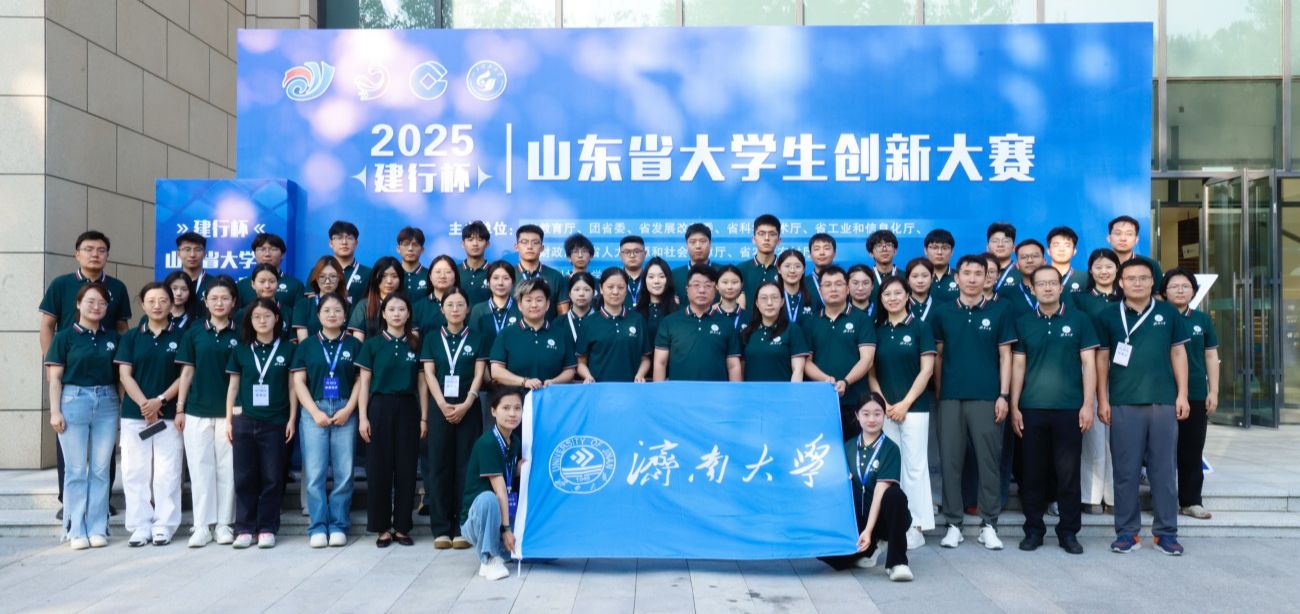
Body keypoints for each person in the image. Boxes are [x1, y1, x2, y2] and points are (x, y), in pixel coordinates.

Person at [1095, 258, 1190, 556]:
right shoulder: (1108, 316)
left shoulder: (1168, 313)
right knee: (1126, 472)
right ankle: (1127, 533)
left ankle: (1166, 534)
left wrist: (1183, 394)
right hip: (1123, 403)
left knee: (1164, 472)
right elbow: (1101, 360)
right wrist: (1102, 399)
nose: (1137, 283)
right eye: (1131, 278)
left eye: (1143, 278)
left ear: (1152, 282)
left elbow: (1178, 354)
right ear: (1121, 283)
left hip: (1163, 402)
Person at [39, 230, 130, 518]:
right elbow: (47, 325)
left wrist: (123, 372)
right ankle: (67, 500)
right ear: (76, 254)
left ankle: (102, 502)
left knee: (104, 449)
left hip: (105, 375)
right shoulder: (61, 284)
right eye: (88, 249)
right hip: (71, 375)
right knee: (69, 444)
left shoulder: (117, 287)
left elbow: (122, 329)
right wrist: (51, 363)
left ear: (107, 256)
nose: (95, 254)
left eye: (101, 250)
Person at [1009, 265, 1099, 555]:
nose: (1047, 288)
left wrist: (1088, 404)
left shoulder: (1080, 320)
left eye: (1052, 283)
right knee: (1032, 474)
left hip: (1070, 409)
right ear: (1033, 289)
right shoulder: (1023, 322)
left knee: (1068, 474)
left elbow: (1089, 364)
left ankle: (1068, 532)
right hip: (1032, 408)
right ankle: (1034, 530)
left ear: (1061, 288)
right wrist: (1014, 406)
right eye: (1041, 284)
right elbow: (1018, 366)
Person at [930, 255, 1016, 551]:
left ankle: (989, 524)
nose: (972, 278)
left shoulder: (1000, 310)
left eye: (978, 273)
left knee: (988, 463)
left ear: (987, 277)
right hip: (951, 398)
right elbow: (938, 356)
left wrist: (1003, 395)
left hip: (987, 397)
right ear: (957, 277)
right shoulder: (943, 312)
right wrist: (940, 393)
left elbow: (1006, 356)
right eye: (966, 273)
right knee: (951, 462)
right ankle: (953, 524)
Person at [44, 282, 120, 550]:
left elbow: (120, 377)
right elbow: (55, 378)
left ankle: (98, 526)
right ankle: (75, 528)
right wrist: (55, 411)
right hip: (73, 400)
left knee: (101, 469)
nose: (96, 307)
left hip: (108, 402)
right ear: (78, 304)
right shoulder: (64, 337)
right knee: (75, 469)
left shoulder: (113, 338)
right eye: (90, 301)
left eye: (101, 303)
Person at [868, 276, 936, 550]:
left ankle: (916, 525)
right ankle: (893, 524)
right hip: (885, 411)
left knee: (915, 467)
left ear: (907, 296)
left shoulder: (920, 327)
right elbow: (872, 373)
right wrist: (884, 404)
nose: (892, 298)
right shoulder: (877, 330)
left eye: (898, 293)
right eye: (887, 294)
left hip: (914, 409)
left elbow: (927, 370)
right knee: (891, 468)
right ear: (881, 299)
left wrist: (905, 403)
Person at [115, 282, 185, 547]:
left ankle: (164, 525)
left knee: (168, 472)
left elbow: (185, 376)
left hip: (168, 415)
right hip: (136, 415)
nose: (157, 306)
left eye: (163, 300)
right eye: (151, 301)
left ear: (171, 304)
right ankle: (139, 525)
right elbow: (125, 375)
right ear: (142, 305)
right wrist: (145, 404)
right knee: (135, 471)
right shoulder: (131, 337)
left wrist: (160, 401)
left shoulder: (182, 336)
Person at [290, 292, 362, 548]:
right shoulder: (307, 345)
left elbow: (360, 380)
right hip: (315, 410)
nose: (332, 314)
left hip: (345, 409)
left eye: (338, 310)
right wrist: (314, 412)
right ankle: (318, 526)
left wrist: (349, 409)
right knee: (315, 472)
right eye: (327, 310)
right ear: (318, 315)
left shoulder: (354, 345)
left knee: (344, 471)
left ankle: (339, 524)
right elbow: (299, 382)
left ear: (345, 315)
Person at [225, 298, 297, 549]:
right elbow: (233, 387)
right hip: (244, 420)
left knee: (272, 477)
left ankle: (267, 527)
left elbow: (292, 387)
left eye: (267, 316)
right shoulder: (242, 350)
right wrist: (229, 420)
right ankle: (244, 528)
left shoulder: (288, 349)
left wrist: (292, 419)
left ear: (276, 318)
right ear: (250, 320)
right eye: (257, 317)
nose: (262, 321)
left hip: (276, 421)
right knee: (244, 476)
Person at [357, 293, 428, 547]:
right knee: (379, 468)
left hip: (408, 408)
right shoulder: (372, 345)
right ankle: (382, 528)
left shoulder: (416, 344)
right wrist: (363, 417)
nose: (397, 314)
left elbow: (422, 384)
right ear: (383, 314)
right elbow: (364, 383)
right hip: (379, 408)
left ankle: (402, 527)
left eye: (402, 309)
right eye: (392, 309)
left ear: (408, 314)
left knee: (406, 468)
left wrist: (424, 417)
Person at [819, 392, 914, 583]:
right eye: (866, 414)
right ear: (857, 415)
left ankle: (897, 562)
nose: (872, 419)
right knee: (829, 556)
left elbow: (880, 490)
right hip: (858, 520)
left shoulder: (890, 449)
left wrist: (869, 530)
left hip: (883, 520)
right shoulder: (847, 447)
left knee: (894, 495)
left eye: (877, 414)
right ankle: (870, 548)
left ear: (884, 415)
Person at [420, 287, 488, 549]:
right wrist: (441, 404)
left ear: (468, 308)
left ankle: (462, 527)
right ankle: (441, 528)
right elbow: (429, 373)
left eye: (460, 304)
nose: (455, 309)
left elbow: (480, 373)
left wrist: (467, 402)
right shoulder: (431, 338)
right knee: (439, 466)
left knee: (466, 467)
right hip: (440, 408)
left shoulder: (478, 337)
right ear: (442, 309)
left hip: (468, 407)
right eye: (450, 304)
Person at [175, 275, 240, 547]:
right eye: (214, 298)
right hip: (197, 410)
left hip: (230, 413)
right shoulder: (194, 332)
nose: (219, 303)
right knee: (200, 469)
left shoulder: (241, 333)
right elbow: (186, 372)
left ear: (234, 301)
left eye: (225, 298)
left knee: (228, 469)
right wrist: (180, 407)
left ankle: (224, 524)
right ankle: (202, 525)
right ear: (205, 301)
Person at [1163, 268, 1220, 521]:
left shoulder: (1202, 320)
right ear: (1164, 291)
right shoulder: (1157, 318)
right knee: (1160, 451)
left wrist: (1213, 391)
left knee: (1192, 448)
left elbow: (1211, 355)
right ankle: (1162, 500)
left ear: (1194, 291)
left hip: (1195, 393)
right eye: (1174, 286)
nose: (1180, 290)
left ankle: (1191, 501)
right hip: (1162, 392)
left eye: (1185, 286)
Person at [802, 265, 876, 438]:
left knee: (853, 450)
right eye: (827, 285)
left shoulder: (862, 319)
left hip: (856, 402)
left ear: (847, 289)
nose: (833, 289)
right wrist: (827, 381)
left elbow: (867, 360)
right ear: (820, 290)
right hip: (820, 401)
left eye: (838, 284)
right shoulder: (810, 322)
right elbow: (806, 362)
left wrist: (846, 382)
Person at [459, 387, 525, 582]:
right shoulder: (487, 443)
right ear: (493, 411)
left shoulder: (514, 441)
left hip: (500, 516)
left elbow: (508, 471)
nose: (512, 413)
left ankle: (497, 551)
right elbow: (501, 491)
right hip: (477, 520)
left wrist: (522, 468)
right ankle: (489, 558)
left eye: (517, 408)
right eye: (506, 408)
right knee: (489, 499)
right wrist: (506, 530)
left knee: (535, 550)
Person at [1075, 248, 1121, 514]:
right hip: (1088, 368)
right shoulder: (1079, 299)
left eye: (1109, 266)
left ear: (1117, 269)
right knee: (1093, 436)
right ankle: (1090, 495)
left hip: (1123, 373)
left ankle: (1114, 497)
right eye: (1098, 267)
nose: (1104, 271)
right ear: (1090, 270)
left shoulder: (1126, 298)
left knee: (1118, 438)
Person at [653, 265, 742, 382]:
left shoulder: (726, 323)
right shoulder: (670, 322)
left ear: (715, 290)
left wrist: (735, 392)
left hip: (717, 392)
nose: (702, 290)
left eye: (708, 286)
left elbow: (733, 366)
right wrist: (659, 391)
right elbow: (660, 363)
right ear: (687, 289)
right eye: (696, 285)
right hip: (679, 391)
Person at [490, 279, 577, 390]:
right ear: (520, 305)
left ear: (548, 304)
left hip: (551, 396)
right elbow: (496, 371)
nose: (534, 305)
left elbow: (570, 371)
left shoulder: (562, 335)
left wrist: (554, 382)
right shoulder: (506, 334)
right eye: (528, 300)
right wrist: (524, 382)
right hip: (516, 398)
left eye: (539, 300)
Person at [576, 269, 652, 383]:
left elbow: (645, 359)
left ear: (626, 290)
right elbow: (581, 362)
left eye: (621, 287)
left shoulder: (637, 320)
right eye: (610, 287)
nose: (615, 292)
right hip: (599, 388)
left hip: (631, 388)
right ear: (601, 289)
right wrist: (588, 376)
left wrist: (640, 375)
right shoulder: (589, 322)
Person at [740, 282, 809, 382]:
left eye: (774, 297)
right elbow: (741, 370)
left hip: (783, 391)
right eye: (764, 298)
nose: (769, 303)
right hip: (752, 391)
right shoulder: (747, 332)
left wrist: (793, 392)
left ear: (782, 302)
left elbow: (798, 371)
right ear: (757, 303)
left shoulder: (792, 330)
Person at [236, 232, 305, 308]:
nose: (267, 254)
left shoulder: (295, 285)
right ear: (255, 254)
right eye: (262, 249)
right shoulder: (242, 285)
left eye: (273, 249)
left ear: (282, 255)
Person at [514, 224, 568, 319]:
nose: (530, 246)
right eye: (524, 242)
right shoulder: (508, 276)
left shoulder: (556, 277)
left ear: (542, 248)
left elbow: (563, 317)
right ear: (516, 246)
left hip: (549, 328)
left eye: (535, 242)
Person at [468, 260, 521, 356]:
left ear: (513, 282)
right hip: (485, 363)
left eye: (506, 278)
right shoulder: (478, 310)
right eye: (495, 278)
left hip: (514, 362)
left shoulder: (521, 308)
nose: (500, 283)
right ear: (488, 282)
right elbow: (473, 343)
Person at [349, 257, 404, 340]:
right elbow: (358, 343)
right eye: (383, 276)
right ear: (375, 278)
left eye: (394, 276)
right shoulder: (364, 306)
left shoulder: (406, 306)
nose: (389, 281)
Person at [294, 256, 348, 341]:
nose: (327, 281)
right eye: (322, 276)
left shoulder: (348, 305)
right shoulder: (303, 305)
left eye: (333, 276)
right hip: (311, 349)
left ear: (340, 278)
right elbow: (303, 342)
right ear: (316, 279)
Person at [234, 263, 294, 339]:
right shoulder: (242, 314)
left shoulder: (289, 313)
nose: (267, 286)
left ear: (278, 283)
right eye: (262, 282)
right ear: (253, 284)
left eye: (272, 281)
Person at [1107, 215, 1164, 289]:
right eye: (1118, 233)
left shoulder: (1151, 265)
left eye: (1129, 234)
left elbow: (1159, 294)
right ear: (1109, 238)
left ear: (1136, 240)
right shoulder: (1098, 265)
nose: (1123, 238)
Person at [738, 214, 782, 308]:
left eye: (772, 234)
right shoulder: (740, 270)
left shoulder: (785, 270)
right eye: (761, 234)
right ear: (754, 239)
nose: (766, 238)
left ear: (779, 241)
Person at [996, 239, 1046, 319]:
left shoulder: (1056, 292)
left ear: (1044, 261)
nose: (1030, 260)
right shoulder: (1005, 294)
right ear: (1017, 265)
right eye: (1024, 257)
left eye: (1035, 256)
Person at [635, 257, 679, 344]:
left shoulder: (679, 312)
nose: (656, 281)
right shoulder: (636, 313)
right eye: (651, 277)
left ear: (668, 279)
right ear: (644, 280)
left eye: (662, 276)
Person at [414, 255, 461, 333]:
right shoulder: (418, 308)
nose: (442, 276)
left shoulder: (463, 305)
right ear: (430, 277)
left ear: (455, 276)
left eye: (448, 272)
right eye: (438, 272)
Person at [672, 223, 716, 304]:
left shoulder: (723, 273)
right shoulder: (674, 276)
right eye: (693, 242)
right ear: (686, 245)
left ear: (710, 244)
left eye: (702, 241)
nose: (698, 246)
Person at [330, 220, 370, 305]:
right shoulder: (319, 271)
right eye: (339, 238)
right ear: (331, 243)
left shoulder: (368, 273)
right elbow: (311, 304)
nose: (344, 242)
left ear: (356, 243)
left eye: (349, 238)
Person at [175, 231, 216, 305]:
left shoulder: (214, 284)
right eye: (187, 249)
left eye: (197, 249)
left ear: (204, 254)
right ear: (178, 254)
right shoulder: (171, 284)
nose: (192, 255)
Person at [776, 249, 815, 324]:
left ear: (803, 269)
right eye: (787, 266)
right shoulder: (772, 298)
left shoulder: (812, 298)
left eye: (797, 266)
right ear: (779, 269)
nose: (792, 270)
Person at [459, 221, 493, 306]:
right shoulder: (454, 271)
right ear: (463, 244)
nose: (475, 244)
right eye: (470, 240)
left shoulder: (494, 271)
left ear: (487, 244)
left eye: (480, 240)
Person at [1046, 226, 1085, 293]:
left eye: (1067, 245)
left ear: (1074, 251)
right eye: (1056, 245)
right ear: (1048, 251)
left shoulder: (1085, 279)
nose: (1061, 249)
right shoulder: (1038, 278)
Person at [562, 272, 597, 344]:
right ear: (569, 293)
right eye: (577, 289)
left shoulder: (601, 322)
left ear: (593, 293)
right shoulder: (559, 323)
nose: (581, 294)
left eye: (586, 290)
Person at [925, 229, 959, 302]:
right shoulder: (918, 278)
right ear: (925, 250)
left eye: (945, 248)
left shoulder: (960, 277)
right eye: (935, 248)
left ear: (952, 252)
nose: (939, 252)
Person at [805, 232, 837, 309]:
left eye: (826, 248)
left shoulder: (844, 281)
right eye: (817, 249)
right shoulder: (803, 283)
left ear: (834, 254)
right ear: (810, 255)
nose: (822, 253)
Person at [866, 229, 899, 301]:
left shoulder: (905, 277)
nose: (884, 249)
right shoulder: (865, 278)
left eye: (888, 245)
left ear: (895, 251)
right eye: (879, 245)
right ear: (871, 253)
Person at [714, 264, 748, 332]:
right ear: (717, 285)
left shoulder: (749, 317)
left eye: (734, 282)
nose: (729, 287)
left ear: (741, 285)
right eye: (725, 282)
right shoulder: (709, 316)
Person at [396, 226, 428, 296]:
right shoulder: (393, 275)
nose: (410, 249)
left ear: (422, 250)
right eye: (406, 244)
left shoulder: (430, 275)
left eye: (415, 245)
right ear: (398, 249)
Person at [986, 222, 1018, 292]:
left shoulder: (1021, 272)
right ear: (987, 247)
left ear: (1014, 247)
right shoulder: (979, 272)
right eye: (995, 241)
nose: (1000, 245)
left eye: (1006, 241)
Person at [903, 258, 936, 323]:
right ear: (907, 280)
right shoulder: (900, 306)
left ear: (932, 278)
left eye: (925, 276)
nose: (920, 281)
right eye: (915, 276)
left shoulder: (942, 308)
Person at [620, 235, 648, 307]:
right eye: (627, 252)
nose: (632, 255)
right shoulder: (614, 280)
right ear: (620, 255)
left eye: (636, 251)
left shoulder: (651, 279)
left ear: (645, 254)